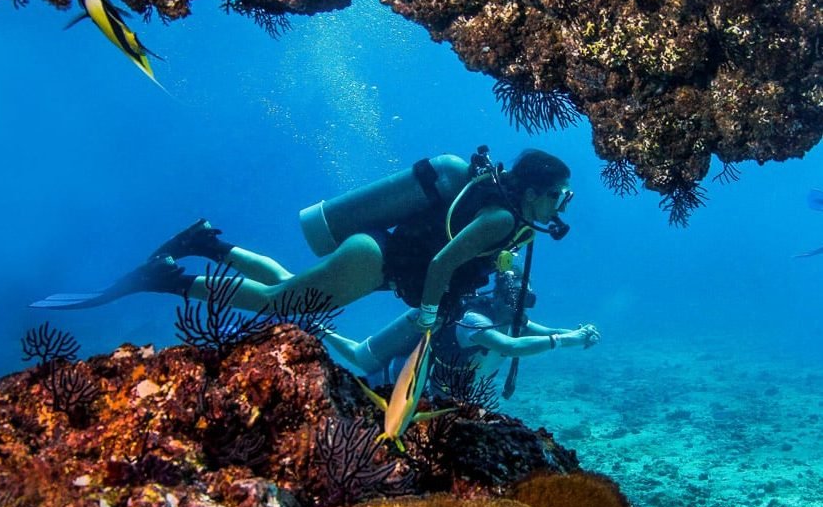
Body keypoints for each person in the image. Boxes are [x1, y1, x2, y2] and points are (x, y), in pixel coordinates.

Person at [32, 147, 574, 332]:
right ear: (536, 190)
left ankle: (208, 244)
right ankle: (168, 280)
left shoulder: (504, 213)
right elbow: (439, 265)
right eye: (559, 196)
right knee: (278, 304)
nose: (560, 206)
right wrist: (430, 318)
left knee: (289, 287)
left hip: (373, 253)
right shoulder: (502, 217)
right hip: (375, 262)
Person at [324, 265, 601, 388]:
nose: (520, 308)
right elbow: (511, 347)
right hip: (403, 381)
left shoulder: (515, 320)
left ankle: (320, 329)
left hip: (448, 396)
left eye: (527, 300)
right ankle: (321, 329)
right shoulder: (473, 320)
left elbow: (548, 331)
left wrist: (579, 334)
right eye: (514, 300)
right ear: (498, 297)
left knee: (358, 359)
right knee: (360, 358)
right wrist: (566, 340)